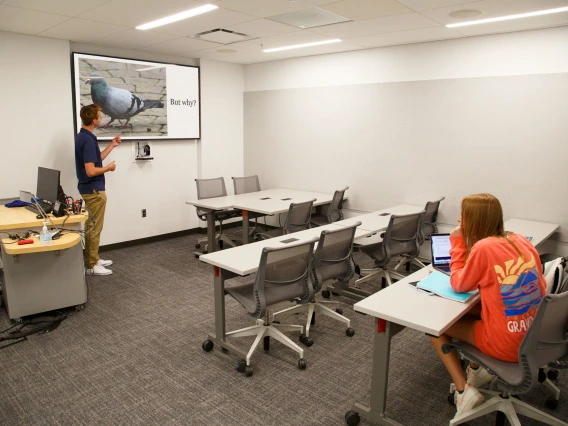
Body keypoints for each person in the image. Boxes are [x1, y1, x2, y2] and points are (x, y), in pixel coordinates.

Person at [430, 193, 546, 419]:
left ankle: (463, 391)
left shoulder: (483, 248)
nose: (458, 220)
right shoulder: (520, 240)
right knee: (476, 311)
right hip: (534, 333)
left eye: (463, 217)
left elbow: (458, 283)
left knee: (437, 325)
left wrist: (457, 243)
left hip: (508, 343)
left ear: (474, 221)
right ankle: (476, 371)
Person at [75, 104, 121, 276]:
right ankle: (92, 265)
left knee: (93, 226)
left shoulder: (85, 137)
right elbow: (91, 170)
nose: (101, 117)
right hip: (93, 190)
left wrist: (112, 146)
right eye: (100, 115)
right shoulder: (87, 140)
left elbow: (95, 160)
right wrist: (108, 168)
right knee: (93, 227)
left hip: (90, 188)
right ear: (94, 120)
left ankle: (93, 257)